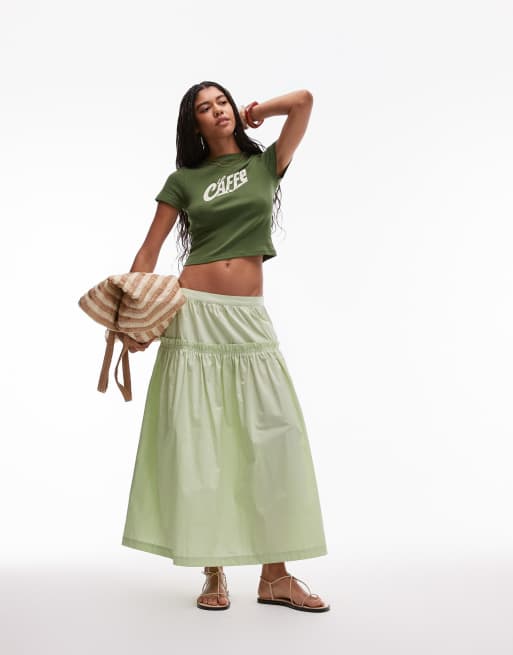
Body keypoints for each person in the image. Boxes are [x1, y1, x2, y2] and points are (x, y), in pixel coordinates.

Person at [121, 81, 330, 613]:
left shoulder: (266, 165)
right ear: (193, 124)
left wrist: (256, 111)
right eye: (204, 108)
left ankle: (275, 577)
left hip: (247, 319)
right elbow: (149, 249)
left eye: (222, 102)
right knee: (203, 442)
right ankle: (213, 570)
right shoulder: (183, 181)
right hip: (193, 316)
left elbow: (303, 102)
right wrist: (130, 317)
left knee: (274, 437)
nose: (217, 111)